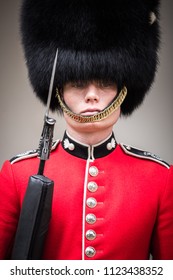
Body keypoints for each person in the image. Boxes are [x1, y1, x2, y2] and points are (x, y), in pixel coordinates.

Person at [0, 0, 173, 260]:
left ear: (123, 89)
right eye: (78, 82)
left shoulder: (159, 178)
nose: (92, 95)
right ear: (58, 90)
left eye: (105, 82)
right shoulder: (17, 174)